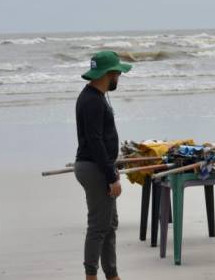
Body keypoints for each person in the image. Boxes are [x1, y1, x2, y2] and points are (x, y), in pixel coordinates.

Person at [74, 50, 132, 280]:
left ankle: (112, 274)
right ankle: (91, 276)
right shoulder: (91, 101)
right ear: (109, 73)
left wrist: (112, 169)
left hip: (99, 166)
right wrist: (111, 176)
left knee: (109, 225)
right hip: (95, 168)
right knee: (98, 227)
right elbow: (95, 142)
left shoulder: (96, 97)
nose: (119, 77)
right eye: (118, 73)